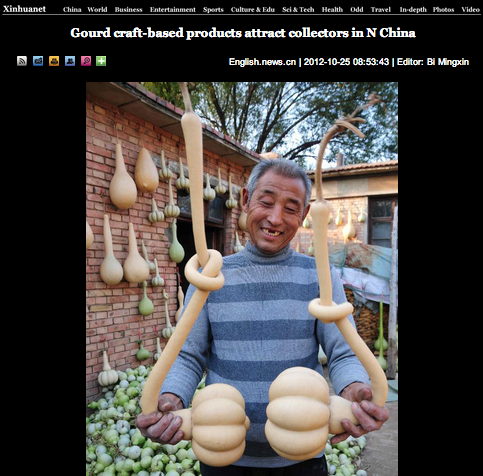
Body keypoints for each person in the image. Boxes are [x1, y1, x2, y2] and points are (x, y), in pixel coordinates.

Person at [136, 159, 389, 476]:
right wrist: (170, 398)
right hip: (224, 457)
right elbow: (187, 355)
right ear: (245, 199)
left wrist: (355, 389)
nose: (275, 218)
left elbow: (343, 352)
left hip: (302, 457)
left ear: (304, 215)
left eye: (290, 208)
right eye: (266, 202)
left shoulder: (319, 276)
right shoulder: (210, 277)